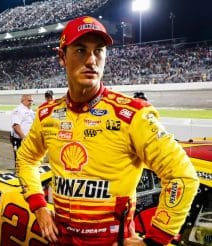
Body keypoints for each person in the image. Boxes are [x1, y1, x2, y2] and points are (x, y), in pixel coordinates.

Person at [16, 16, 199, 245]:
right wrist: (39, 207)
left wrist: (153, 240)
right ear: (62, 57)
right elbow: (25, 159)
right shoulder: (47, 114)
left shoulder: (134, 114)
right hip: (61, 239)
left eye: (99, 51)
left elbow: (182, 176)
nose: (92, 60)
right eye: (81, 51)